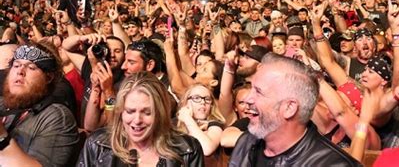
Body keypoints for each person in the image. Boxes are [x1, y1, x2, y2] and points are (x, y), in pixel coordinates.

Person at [229, 53, 360, 166]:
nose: (247, 99)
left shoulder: (333, 164)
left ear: (289, 108)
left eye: (258, 92)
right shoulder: (246, 142)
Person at [78, 71, 204, 166]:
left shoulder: (187, 149)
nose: (137, 120)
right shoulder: (97, 145)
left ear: (160, 113)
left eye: (147, 112)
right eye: (130, 111)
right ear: (121, 111)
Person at [0, 43, 79, 167]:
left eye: (31, 67)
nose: (20, 71)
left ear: (48, 77)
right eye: (16, 65)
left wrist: (2, 137)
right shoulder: (3, 104)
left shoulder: (57, 117)